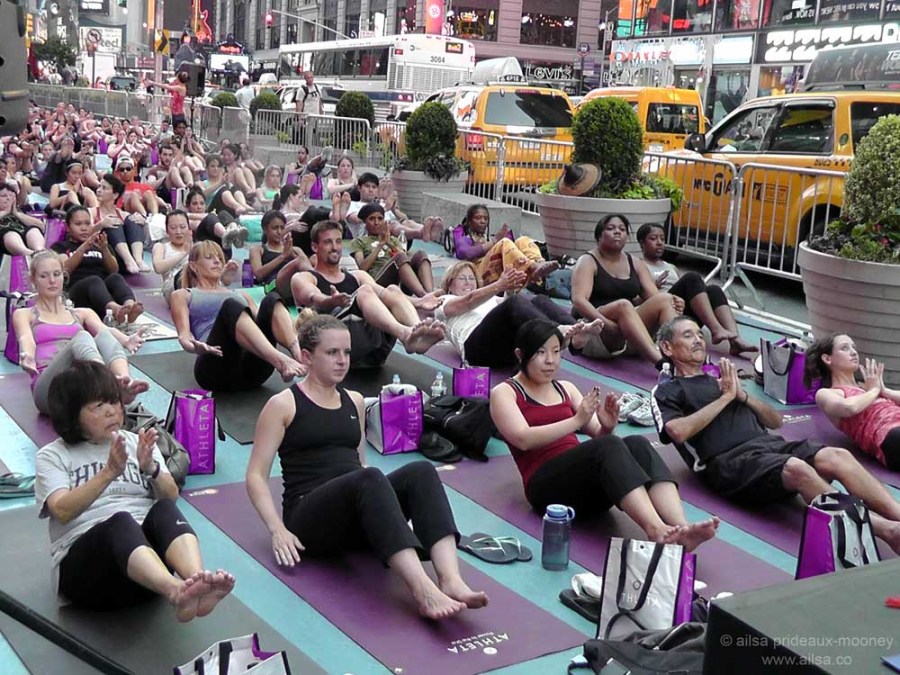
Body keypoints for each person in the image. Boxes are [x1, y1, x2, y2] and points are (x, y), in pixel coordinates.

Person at [245, 314, 488, 620]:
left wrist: (389, 518)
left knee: (420, 471)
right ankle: (423, 590)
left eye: (346, 352)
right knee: (368, 478)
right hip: (309, 518)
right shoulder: (284, 404)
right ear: (306, 357)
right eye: (332, 353)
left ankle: (450, 579)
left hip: (353, 511)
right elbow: (256, 475)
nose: (342, 360)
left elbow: (359, 462)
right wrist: (277, 529)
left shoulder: (355, 401)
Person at [653, 316, 900, 552]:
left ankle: (897, 514)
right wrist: (725, 399)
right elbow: (677, 432)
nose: (698, 339)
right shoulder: (667, 390)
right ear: (667, 347)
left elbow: (775, 421)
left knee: (837, 456)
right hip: (729, 463)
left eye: (699, 334)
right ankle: (889, 531)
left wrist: (742, 396)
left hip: (769, 446)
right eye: (688, 335)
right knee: (797, 468)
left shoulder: (722, 380)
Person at [489, 319, 718, 551]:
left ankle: (681, 527)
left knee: (637, 443)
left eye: (556, 352)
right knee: (609, 445)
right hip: (547, 492)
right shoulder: (505, 392)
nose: (550, 360)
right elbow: (523, 439)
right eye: (540, 352)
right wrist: (576, 421)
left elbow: (599, 438)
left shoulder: (565, 388)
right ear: (520, 354)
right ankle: (656, 529)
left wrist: (607, 426)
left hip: (584, 488)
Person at [35, 360, 235, 619]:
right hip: (90, 581)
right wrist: (108, 473)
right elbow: (61, 510)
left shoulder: (137, 442)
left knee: (163, 509)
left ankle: (196, 585)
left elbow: (171, 497)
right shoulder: (53, 455)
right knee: (121, 521)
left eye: (113, 402)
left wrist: (151, 467)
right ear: (72, 415)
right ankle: (176, 591)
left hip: (145, 579)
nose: (111, 411)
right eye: (98, 406)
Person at [290, 220, 446, 365]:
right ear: (315, 247)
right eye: (328, 242)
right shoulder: (304, 277)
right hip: (331, 345)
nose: (335, 247)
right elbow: (312, 296)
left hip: (373, 348)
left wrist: (419, 302)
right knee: (364, 291)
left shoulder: (357, 276)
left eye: (338, 241)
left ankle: (416, 334)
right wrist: (330, 301)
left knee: (392, 289)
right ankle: (405, 334)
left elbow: (386, 294)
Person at [14, 251, 148, 415]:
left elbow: (105, 331)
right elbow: (25, 337)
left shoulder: (81, 313)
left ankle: (124, 384)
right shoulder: (25, 314)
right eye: (44, 276)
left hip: (80, 388)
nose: (52, 281)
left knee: (103, 336)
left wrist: (126, 340)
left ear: (63, 276)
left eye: (56, 274)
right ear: (33, 279)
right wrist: (27, 355)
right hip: (49, 392)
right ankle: (104, 380)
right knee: (83, 336)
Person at [170, 241, 305, 391]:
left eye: (219, 258)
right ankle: (280, 361)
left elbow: (263, 323)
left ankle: (300, 356)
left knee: (271, 299)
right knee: (231, 306)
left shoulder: (241, 294)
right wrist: (194, 347)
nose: (217, 261)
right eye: (209, 257)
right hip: (215, 367)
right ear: (194, 266)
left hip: (253, 371)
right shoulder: (183, 295)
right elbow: (184, 336)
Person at [436, 261, 602, 367]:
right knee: (515, 302)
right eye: (462, 278)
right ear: (450, 284)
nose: (468, 282)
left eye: (471, 278)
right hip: (476, 351)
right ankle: (556, 332)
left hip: (508, 350)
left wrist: (510, 289)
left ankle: (575, 335)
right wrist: (499, 285)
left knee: (540, 300)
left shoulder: (489, 299)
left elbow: (509, 311)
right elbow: (469, 301)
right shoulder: (444, 300)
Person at [571, 214, 680, 367]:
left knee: (665, 299)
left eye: (622, 229)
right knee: (623, 305)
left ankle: (680, 355)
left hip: (628, 328)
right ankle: (662, 364)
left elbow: (655, 297)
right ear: (599, 235)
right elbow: (579, 301)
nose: (617, 232)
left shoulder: (635, 262)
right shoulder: (588, 261)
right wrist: (607, 325)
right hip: (595, 328)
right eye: (611, 228)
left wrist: (674, 303)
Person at [636, 223, 756, 354]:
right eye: (653, 239)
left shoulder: (671, 267)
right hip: (660, 313)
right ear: (642, 243)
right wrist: (653, 289)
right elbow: (634, 301)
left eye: (662, 239)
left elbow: (688, 290)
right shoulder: (639, 266)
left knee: (714, 290)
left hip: (681, 309)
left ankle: (735, 340)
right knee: (692, 278)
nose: (659, 243)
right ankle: (716, 329)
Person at [806, 334, 900, 470]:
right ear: (827, 359)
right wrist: (874, 390)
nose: (854, 352)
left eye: (853, 347)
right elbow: (849, 407)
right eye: (845, 348)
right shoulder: (827, 393)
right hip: (889, 435)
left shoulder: (867, 387)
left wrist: (885, 391)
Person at [52, 206, 143, 324]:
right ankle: (115, 309)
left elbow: (113, 270)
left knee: (116, 278)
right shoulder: (61, 247)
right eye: (78, 224)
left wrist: (105, 249)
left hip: (101, 292)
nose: (84, 228)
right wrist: (83, 248)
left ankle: (130, 307)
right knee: (94, 280)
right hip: (77, 291)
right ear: (68, 227)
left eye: (87, 224)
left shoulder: (99, 244)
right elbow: (64, 271)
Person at [455, 203, 557, 286]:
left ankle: (538, 263)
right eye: (478, 218)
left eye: (485, 219)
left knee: (523, 240)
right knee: (504, 242)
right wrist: (495, 240)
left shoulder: (489, 238)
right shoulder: (465, 239)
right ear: (469, 221)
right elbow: (467, 253)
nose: (483, 221)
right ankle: (532, 266)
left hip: (501, 270)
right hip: (481, 275)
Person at [347, 203, 435, 297]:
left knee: (420, 254)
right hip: (378, 280)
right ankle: (424, 296)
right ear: (365, 222)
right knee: (399, 256)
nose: (376, 222)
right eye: (372, 219)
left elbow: (404, 260)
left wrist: (389, 243)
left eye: (380, 219)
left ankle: (431, 294)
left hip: (401, 279)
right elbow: (362, 268)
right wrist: (380, 245)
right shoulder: (359, 241)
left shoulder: (393, 240)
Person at [91, 173, 149, 275]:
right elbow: (85, 234)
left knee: (134, 219)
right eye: (99, 186)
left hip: (128, 257)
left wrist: (143, 221)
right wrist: (101, 224)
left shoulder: (123, 214)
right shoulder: (91, 212)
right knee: (112, 222)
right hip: (108, 256)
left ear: (115, 195)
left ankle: (138, 260)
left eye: (104, 188)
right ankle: (128, 260)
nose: (99, 190)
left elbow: (139, 232)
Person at [248, 210, 311, 295]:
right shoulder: (258, 250)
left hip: (296, 284)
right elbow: (259, 274)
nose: (279, 232)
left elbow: (306, 268)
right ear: (265, 229)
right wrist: (283, 256)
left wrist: (291, 253)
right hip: (272, 286)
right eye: (275, 228)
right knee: (300, 261)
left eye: (282, 228)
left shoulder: (295, 249)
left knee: (307, 259)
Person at [0, 182, 45, 257]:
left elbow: (41, 226)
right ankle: (29, 254)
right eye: (3, 196)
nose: (8, 198)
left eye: (11, 195)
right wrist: (5, 212)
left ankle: (40, 252)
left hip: (24, 236)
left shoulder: (17, 212)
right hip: (5, 240)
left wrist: (17, 214)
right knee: (10, 234)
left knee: (33, 230)